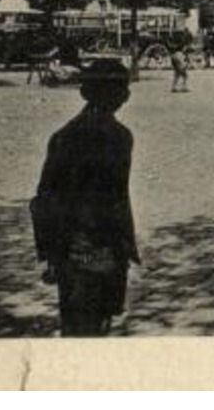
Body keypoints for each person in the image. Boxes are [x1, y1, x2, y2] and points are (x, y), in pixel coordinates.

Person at [30, 59, 140, 337]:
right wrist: (127, 247)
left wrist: (48, 253)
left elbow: (44, 198)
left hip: (71, 250)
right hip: (107, 248)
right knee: (99, 325)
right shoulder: (120, 137)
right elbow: (118, 197)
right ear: (122, 96)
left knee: (76, 327)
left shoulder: (63, 137)